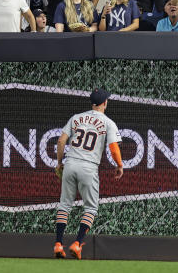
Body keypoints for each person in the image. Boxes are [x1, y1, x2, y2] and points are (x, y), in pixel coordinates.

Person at [52, 88, 123, 260]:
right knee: (91, 207)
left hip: (70, 163)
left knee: (64, 205)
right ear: (105, 103)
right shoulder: (108, 122)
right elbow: (113, 148)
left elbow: (61, 141)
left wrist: (60, 162)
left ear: (92, 103)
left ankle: (58, 244)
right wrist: (119, 165)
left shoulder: (76, 117)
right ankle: (77, 244)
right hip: (89, 167)